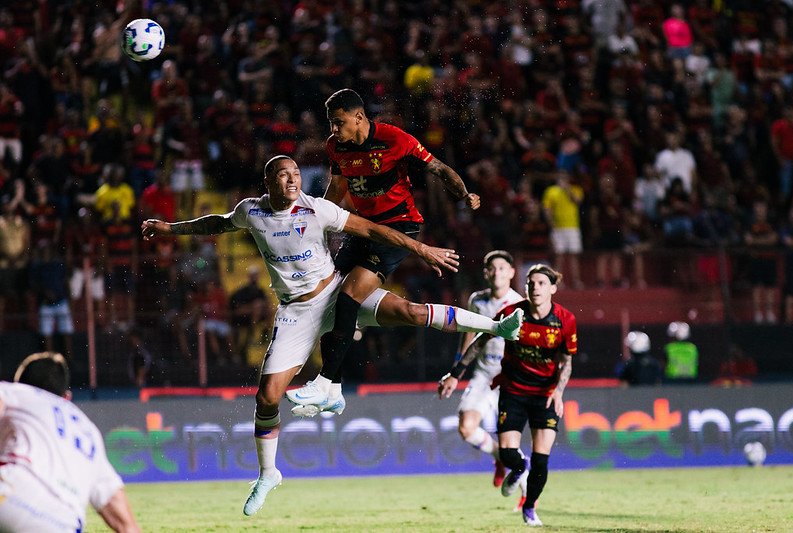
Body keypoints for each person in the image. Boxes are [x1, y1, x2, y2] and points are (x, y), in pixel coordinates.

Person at [141, 155, 522, 517]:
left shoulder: (317, 209)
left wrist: (421, 249)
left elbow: (372, 229)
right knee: (267, 396)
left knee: (409, 311)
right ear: (268, 183)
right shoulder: (251, 211)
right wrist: (171, 229)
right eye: (283, 174)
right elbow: (217, 223)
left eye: (295, 173)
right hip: (295, 312)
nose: (293, 179)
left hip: (338, 294)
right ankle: (268, 473)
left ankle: (496, 326)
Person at [285, 88, 481, 411]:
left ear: (359, 117)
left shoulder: (394, 140)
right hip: (363, 227)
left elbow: (439, 169)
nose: (333, 130)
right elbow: (336, 188)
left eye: (339, 122)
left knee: (348, 296)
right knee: (328, 298)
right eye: (331, 124)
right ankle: (331, 393)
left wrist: (464, 195)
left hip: (399, 228)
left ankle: (326, 383)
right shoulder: (336, 147)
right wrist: (316, 225)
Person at [438, 263, 577, 527]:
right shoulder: (512, 313)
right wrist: (456, 372)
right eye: (532, 283)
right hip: (511, 390)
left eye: (542, 283)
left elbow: (566, 361)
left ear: (553, 289)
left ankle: (530, 507)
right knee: (509, 452)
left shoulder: (565, 320)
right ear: (524, 287)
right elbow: (479, 340)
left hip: (544, 395)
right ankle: (516, 466)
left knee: (541, 459)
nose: (535, 288)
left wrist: (559, 392)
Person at [0, 351, 140, 532]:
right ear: (66, 397)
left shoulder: (16, 391)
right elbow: (124, 520)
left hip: (11, 493)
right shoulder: (89, 430)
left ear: (19, 382)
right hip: (65, 523)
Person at [444, 250, 524, 495]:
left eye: (502, 267)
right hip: (482, 374)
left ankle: (527, 497)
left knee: (512, 442)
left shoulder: (519, 304)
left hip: (509, 378)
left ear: (511, 273)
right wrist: (456, 371)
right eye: (492, 268)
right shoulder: (477, 301)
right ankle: (499, 458)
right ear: (486, 273)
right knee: (466, 428)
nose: (497, 272)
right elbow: (468, 337)